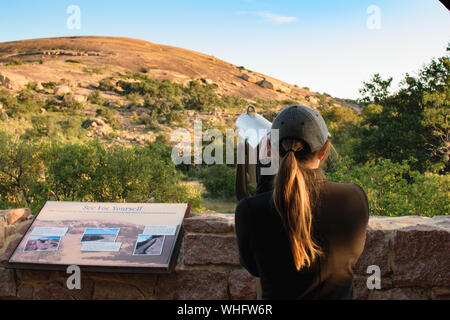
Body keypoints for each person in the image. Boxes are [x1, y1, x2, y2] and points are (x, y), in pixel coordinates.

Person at [235, 105, 369, 300]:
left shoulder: (249, 211)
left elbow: (254, 268)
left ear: (271, 149)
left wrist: (266, 171)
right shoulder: (353, 199)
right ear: (324, 150)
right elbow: (353, 255)